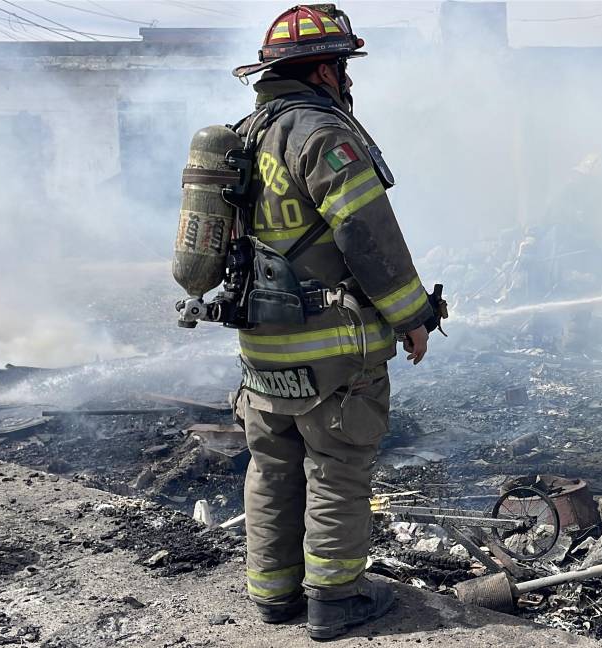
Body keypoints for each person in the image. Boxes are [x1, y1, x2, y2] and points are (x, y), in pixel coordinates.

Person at [229, 4, 436, 639]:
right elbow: (367, 234)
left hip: (260, 345)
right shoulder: (323, 135)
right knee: (337, 468)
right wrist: (411, 314)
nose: (348, 80)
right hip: (333, 347)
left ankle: (272, 596)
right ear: (323, 70)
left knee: (270, 465)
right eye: (342, 67)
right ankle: (335, 600)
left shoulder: (244, 135)